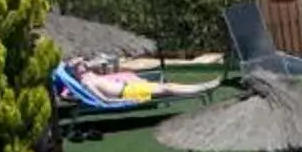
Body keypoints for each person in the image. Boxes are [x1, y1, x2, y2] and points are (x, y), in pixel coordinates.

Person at [65, 62, 217, 101]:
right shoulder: (87, 83)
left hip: (130, 87)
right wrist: (119, 103)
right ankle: (204, 87)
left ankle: (203, 87)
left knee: (166, 86)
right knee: (167, 88)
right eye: (78, 65)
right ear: (74, 71)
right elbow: (102, 98)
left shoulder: (88, 75)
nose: (83, 65)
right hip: (128, 92)